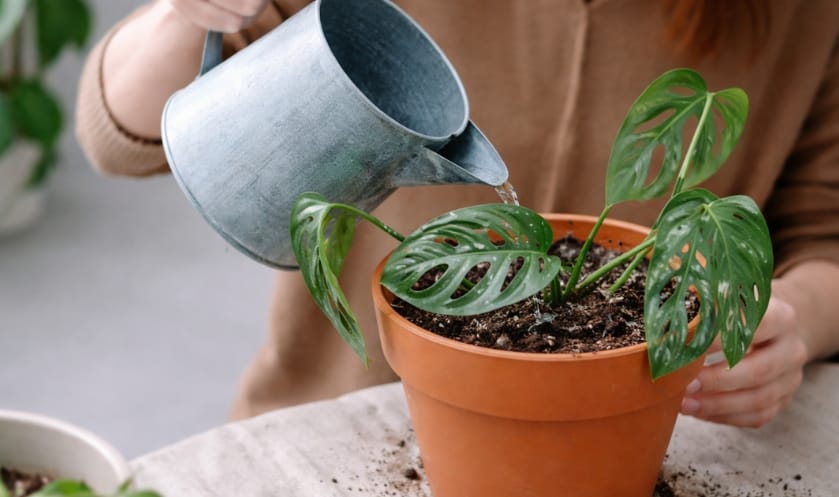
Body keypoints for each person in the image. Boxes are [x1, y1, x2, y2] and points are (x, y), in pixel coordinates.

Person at [76, 0, 839, 429]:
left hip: (632, 443)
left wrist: (791, 316)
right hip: (338, 431)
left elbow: (824, 230)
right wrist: (184, 16)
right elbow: (123, 136)